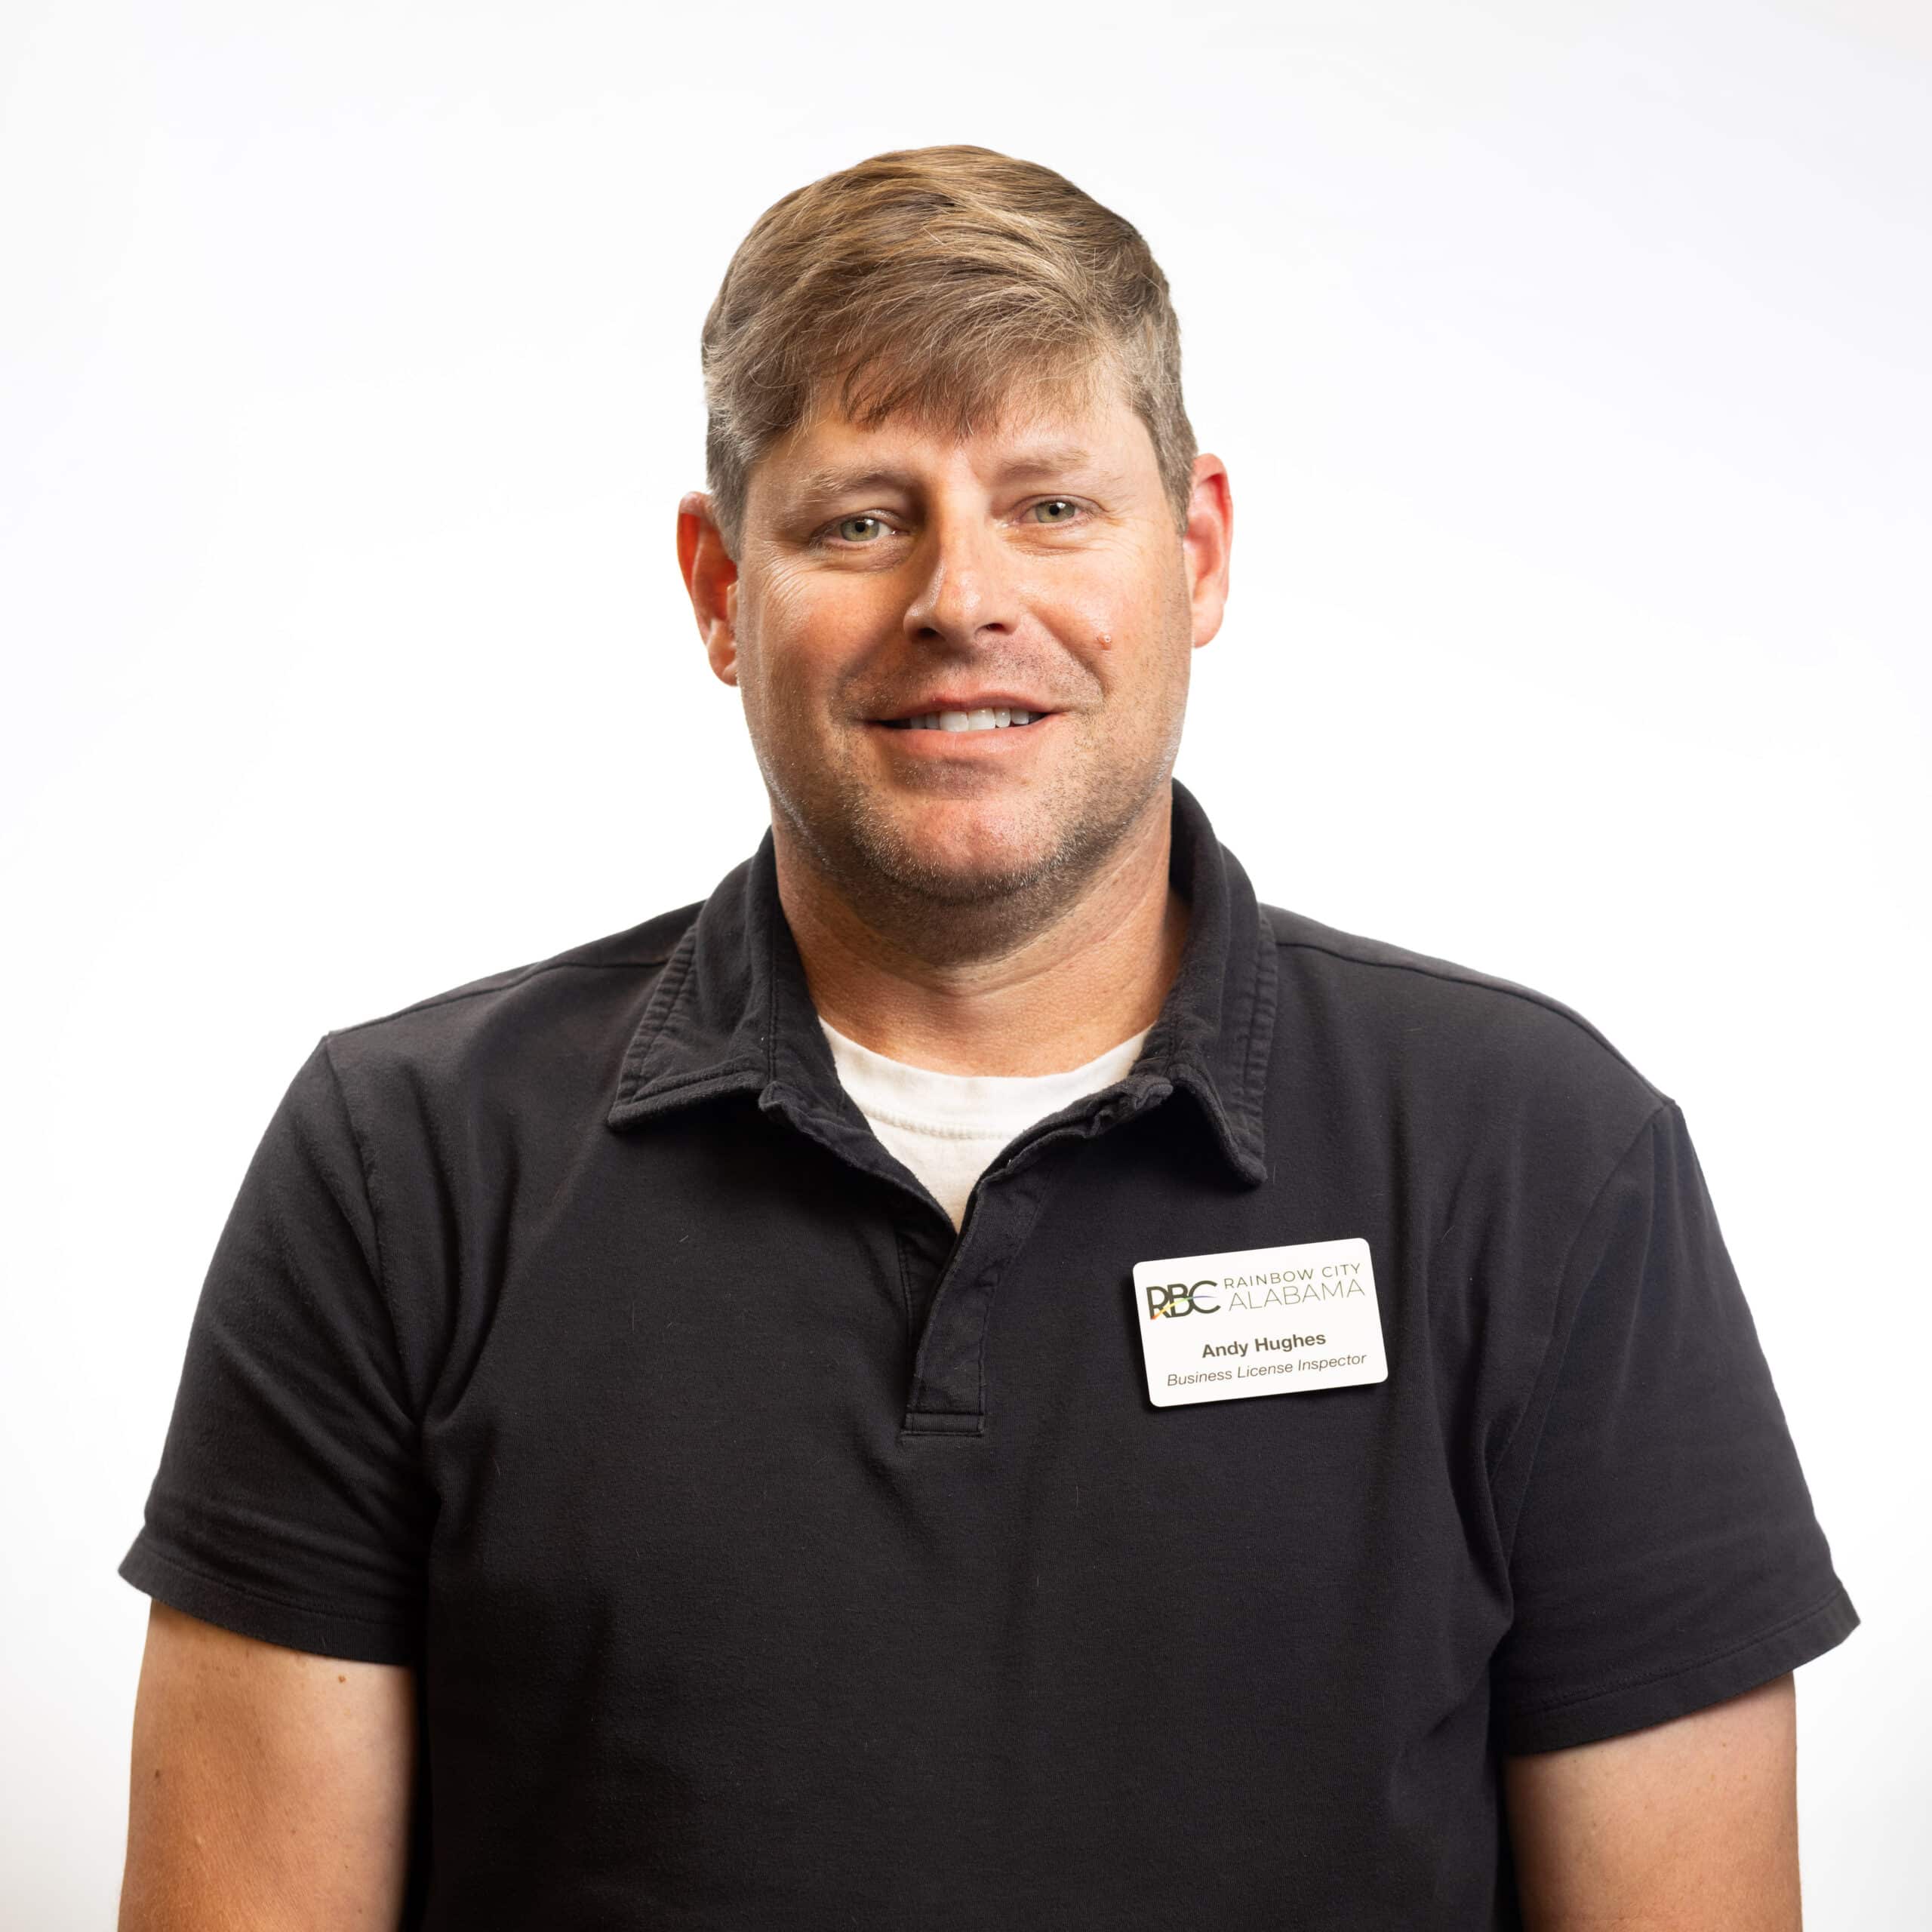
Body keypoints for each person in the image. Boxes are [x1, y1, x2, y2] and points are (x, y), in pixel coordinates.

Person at [116, 145, 1857, 1930]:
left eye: (1049, 505)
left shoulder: (1539, 1160)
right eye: (861, 520)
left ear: (1196, 553)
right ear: (718, 586)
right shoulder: (403, 1168)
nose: (960, 598)